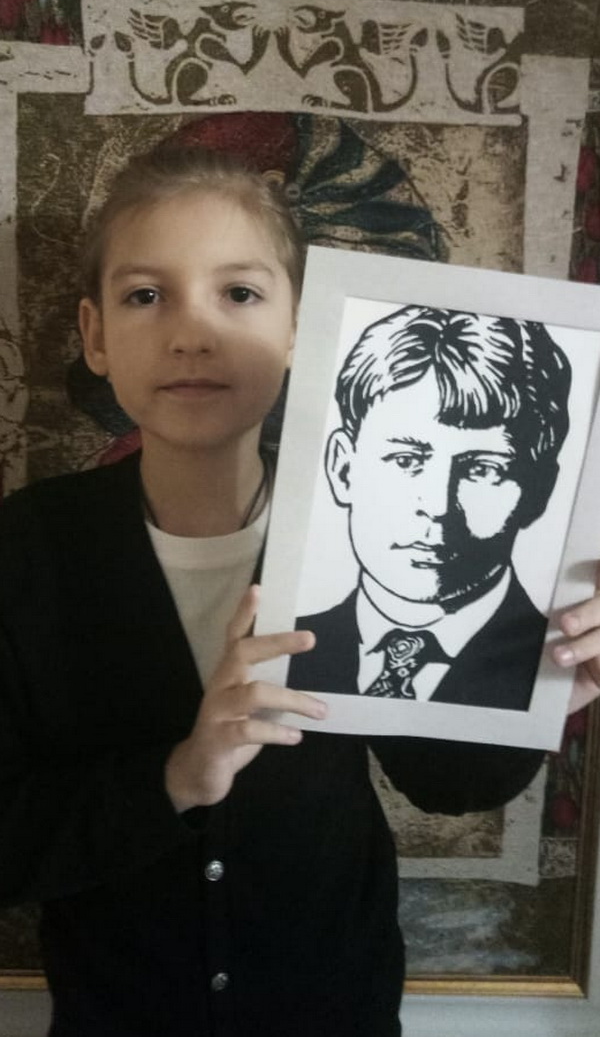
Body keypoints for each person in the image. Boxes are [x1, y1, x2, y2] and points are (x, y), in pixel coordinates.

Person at [0, 142, 598, 1037]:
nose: (192, 333)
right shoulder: (29, 549)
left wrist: (542, 678)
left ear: (300, 330)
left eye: (240, 293)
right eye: (145, 295)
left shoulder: (373, 530)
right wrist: (176, 776)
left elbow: (449, 782)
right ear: (94, 335)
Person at [289, 307, 571, 710]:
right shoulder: (280, 653)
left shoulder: (560, 666)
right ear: (343, 468)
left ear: (539, 490)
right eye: (406, 460)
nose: (438, 507)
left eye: (483, 469)